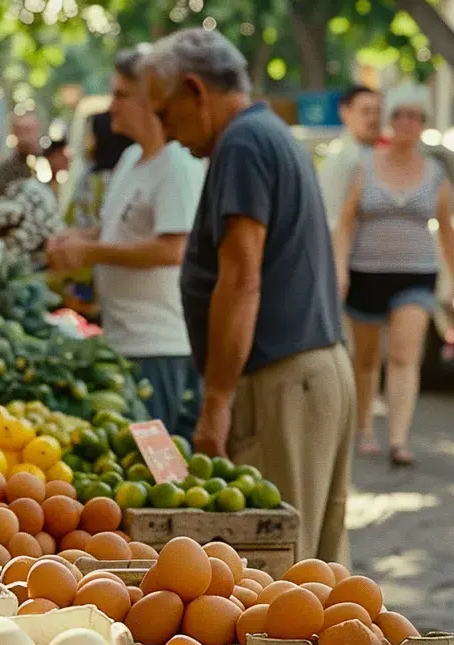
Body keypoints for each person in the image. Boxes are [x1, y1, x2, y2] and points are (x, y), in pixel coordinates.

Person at [141, 28, 355, 565]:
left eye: (165, 114)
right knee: (318, 569)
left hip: (283, 384)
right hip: (312, 374)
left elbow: (241, 278)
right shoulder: (266, 135)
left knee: (282, 572)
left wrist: (215, 406)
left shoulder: (242, 144)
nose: (166, 133)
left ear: (196, 89)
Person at [47, 49, 206, 439]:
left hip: (158, 346)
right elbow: (114, 228)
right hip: (122, 339)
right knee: (133, 460)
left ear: (151, 98)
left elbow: (173, 249)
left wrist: (90, 252)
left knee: (158, 471)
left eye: (120, 95)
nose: (111, 106)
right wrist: (77, 238)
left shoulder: (177, 166)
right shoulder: (132, 158)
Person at [332, 100, 454, 466]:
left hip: (416, 274)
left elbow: (448, 231)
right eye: (401, 116)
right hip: (366, 273)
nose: (408, 123)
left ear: (423, 124)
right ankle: (363, 430)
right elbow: (345, 222)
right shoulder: (365, 166)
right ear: (391, 122)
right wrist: (340, 267)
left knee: (405, 356)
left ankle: (398, 439)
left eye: (416, 116)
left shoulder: (436, 173)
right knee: (367, 359)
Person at [318, 85, 383, 226]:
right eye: (365, 112)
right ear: (345, 113)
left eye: (377, 112)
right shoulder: (341, 160)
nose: (373, 118)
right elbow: (332, 221)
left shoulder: (374, 155)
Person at [66, 112, 135, 230]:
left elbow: (73, 224)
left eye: (90, 135)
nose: (86, 142)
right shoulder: (136, 172)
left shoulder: (91, 181)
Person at [0, 112, 42, 200]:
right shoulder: (4, 172)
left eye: (32, 131)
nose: (28, 138)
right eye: (24, 131)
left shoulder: (50, 163)